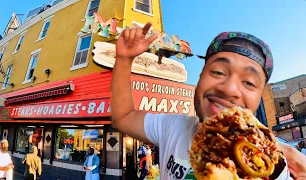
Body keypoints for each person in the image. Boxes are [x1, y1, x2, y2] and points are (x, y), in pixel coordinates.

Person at [111, 22, 306, 179]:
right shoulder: (172, 127)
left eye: (248, 82)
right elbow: (123, 117)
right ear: (200, 77)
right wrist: (123, 59)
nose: (229, 88)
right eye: (218, 72)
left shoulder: (275, 168)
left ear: (260, 96)